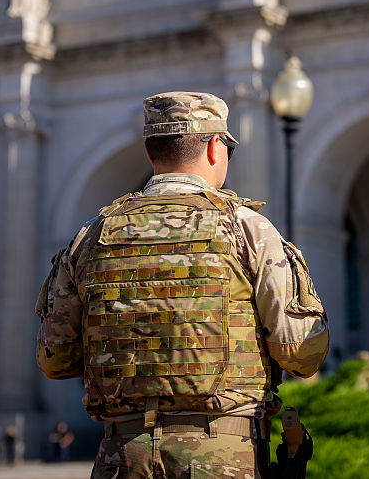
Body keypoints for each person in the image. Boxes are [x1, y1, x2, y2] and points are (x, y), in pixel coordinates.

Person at [36, 91, 329, 478]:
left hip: (121, 457)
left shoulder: (89, 236)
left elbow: (55, 359)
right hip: (222, 456)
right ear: (214, 147)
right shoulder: (247, 229)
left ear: (150, 154)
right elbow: (301, 354)